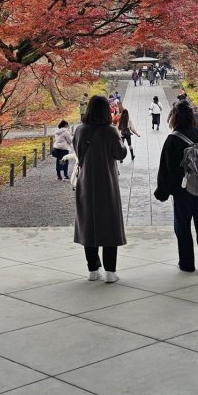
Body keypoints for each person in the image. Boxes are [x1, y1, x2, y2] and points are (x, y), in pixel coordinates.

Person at [155, 100, 198, 274]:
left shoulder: (173, 139)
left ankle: (187, 263)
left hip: (182, 190)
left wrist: (162, 191)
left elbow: (165, 168)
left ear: (174, 116)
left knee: (182, 226)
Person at [73, 95, 128, 282]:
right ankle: (111, 272)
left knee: (89, 224)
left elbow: (78, 152)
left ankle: (93, 269)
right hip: (107, 183)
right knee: (110, 225)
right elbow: (120, 154)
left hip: (86, 182)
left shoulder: (79, 130)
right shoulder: (110, 132)